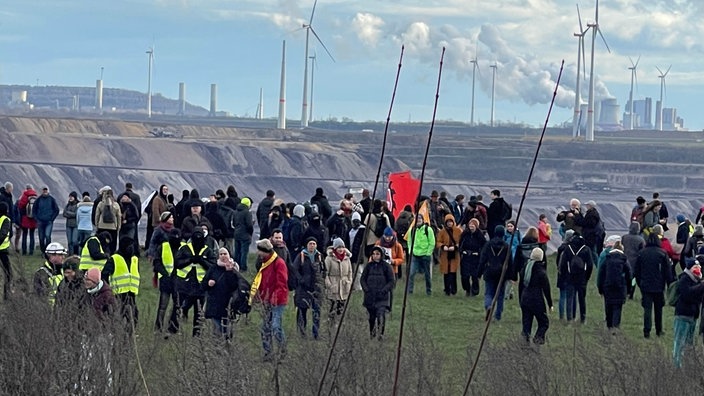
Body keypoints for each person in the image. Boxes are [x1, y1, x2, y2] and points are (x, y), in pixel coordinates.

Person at [250, 239, 289, 361]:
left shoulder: (279, 263)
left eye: (260, 251)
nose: (258, 253)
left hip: (277, 301)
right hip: (267, 300)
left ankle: (283, 351)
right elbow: (264, 282)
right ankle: (268, 353)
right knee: (265, 328)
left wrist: (273, 298)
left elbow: (282, 284)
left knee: (275, 327)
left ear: (265, 251)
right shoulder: (265, 262)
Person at [172, 229, 216, 337]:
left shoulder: (208, 251)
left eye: (200, 235)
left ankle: (197, 334)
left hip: (200, 285)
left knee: (198, 311)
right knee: (177, 307)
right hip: (184, 283)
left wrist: (202, 261)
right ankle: (172, 329)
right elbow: (177, 263)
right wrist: (190, 260)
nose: (198, 238)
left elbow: (213, 266)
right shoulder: (185, 249)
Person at [634, 234, 674, 338]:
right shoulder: (662, 253)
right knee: (658, 309)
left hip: (646, 285)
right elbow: (668, 271)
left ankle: (646, 331)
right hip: (659, 285)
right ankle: (658, 330)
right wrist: (669, 283)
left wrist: (639, 283)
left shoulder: (642, 253)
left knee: (647, 309)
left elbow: (637, 271)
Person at [101, 237, 140, 332]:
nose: (131, 248)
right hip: (118, 294)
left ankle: (129, 335)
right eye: (129, 246)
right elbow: (104, 275)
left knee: (134, 315)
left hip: (131, 293)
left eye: (132, 246)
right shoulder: (114, 258)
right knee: (117, 316)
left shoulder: (134, 259)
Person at [203, 247, 240, 339]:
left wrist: (229, 272)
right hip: (214, 304)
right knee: (217, 332)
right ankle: (217, 351)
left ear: (229, 255)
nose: (223, 256)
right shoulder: (213, 268)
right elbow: (203, 285)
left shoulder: (234, 268)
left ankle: (227, 350)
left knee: (227, 332)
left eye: (225, 254)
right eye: (221, 254)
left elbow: (234, 286)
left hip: (228, 304)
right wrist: (208, 283)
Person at [673, 260, 704, 368]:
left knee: (689, 344)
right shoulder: (684, 279)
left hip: (693, 316)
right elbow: (687, 294)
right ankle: (677, 365)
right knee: (679, 342)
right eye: (696, 267)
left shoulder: (697, 280)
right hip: (683, 315)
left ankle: (687, 365)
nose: (698, 269)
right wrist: (701, 286)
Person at [292, 237, 325, 339]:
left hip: (316, 288)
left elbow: (324, 269)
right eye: (310, 243)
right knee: (302, 311)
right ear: (307, 245)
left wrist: (321, 280)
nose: (312, 246)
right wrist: (301, 280)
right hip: (303, 289)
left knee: (316, 312)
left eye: (314, 244)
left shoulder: (319, 256)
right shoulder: (301, 256)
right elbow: (295, 269)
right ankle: (302, 333)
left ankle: (316, 334)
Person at [518, 247, 553, 345]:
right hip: (536, 299)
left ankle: (525, 345)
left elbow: (521, 285)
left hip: (525, 298)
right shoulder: (541, 271)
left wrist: (520, 299)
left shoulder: (525, 268)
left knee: (526, 323)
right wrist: (550, 304)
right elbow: (546, 288)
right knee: (544, 323)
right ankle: (538, 339)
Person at [558, 232, 594, 324]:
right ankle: (583, 318)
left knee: (570, 297)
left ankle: (570, 318)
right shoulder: (586, 249)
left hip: (570, 276)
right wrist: (587, 277)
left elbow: (563, 264)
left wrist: (564, 275)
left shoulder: (568, 248)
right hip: (582, 277)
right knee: (582, 299)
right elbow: (590, 265)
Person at [361, 246, 395, 340]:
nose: (375, 256)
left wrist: (384, 290)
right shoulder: (369, 266)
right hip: (370, 296)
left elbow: (391, 281)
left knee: (381, 315)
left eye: (378, 254)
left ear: (382, 255)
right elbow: (363, 279)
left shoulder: (386, 267)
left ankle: (381, 334)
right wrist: (366, 289)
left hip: (382, 297)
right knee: (371, 317)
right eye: (374, 254)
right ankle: (372, 334)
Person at [480, 225, 513, 321]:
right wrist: (511, 275)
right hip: (501, 273)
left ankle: (488, 306)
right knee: (500, 294)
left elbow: (483, 259)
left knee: (489, 292)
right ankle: (498, 315)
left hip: (489, 271)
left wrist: (479, 272)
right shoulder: (506, 246)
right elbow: (510, 262)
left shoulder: (488, 245)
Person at [597, 241, 631, 333]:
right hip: (620, 287)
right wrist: (629, 290)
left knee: (608, 306)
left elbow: (601, 275)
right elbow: (629, 276)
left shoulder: (607, 259)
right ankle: (615, 326)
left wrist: (600, 289)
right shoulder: (624, 260)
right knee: (617, 307)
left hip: (607, 286)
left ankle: (609, 325)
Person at [153, 228, 182, 334]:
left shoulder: (183, 247)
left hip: (178, 281)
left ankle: (174, 327)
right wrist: (164, 273)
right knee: (163, 306)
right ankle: (158, 327)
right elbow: (157, 262)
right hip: (166, 280)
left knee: (177, 306)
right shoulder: (163, 247)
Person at [324, 238, 353, 323]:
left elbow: (350, 272)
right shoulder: (329, 259)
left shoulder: (347, 258)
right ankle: (331, 324)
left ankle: (339, 324)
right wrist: (329, 285)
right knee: (332, 307)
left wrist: (349, 282)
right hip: (334, 286)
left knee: (341, 308)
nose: (341, 249)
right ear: (335, 248)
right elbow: (326, 273)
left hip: (344, 286)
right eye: (338, 247)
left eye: (342, 247)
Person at [407, 213, 436, 296]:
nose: (418, 221)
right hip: (415, 255)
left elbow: (432, 242)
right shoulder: (412, 230)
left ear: (423, 220)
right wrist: (410, 251)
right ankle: (409, 291)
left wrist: (428, 253)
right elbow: (409, 241)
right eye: (417, 219)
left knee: (427, 275)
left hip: (425, 255)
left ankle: (429, 291)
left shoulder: (428, 230)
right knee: (411, 273)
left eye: (420, 219)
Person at [459, 218, 486, 297]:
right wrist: (461, 251)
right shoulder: (465, 234)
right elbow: (460, 243)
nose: (471, 226)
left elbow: (484, 246)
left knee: (475, 275)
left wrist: (479, 253)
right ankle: (467, 289)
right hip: (466, 257)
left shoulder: (480, 235)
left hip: (475, 258)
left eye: (473, 225)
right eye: (470, 224)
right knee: (465, 275)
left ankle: (474, 290)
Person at [437, 214, 462, 296]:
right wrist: (443, 246)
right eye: (448, 222)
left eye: (451, 222)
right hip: (445, 254)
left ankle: (453, 289)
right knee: (446, 272)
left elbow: (461, 242)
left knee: (453, 272)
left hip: (454, 254)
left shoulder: (458, 231)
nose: (449, 224)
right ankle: (447, 289)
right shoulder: (442, 232)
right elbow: (438, 242)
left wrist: (455, 247)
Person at [95, 187, 121, 253]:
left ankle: (102, 256)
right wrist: (118, 226)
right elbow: (119, 216)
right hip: (112, 227)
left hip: (102, 227)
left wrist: (97, 225)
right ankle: (111, 257)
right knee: (112, 244)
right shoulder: (116, 205)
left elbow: (97, 215)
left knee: (102, 244)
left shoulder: (100, 204)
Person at [34, 186, 60, 254]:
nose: (45, 191)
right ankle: (43, 252)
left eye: (46, 190)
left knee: (48, 236)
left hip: (49, 221)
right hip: (40, 222)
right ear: (42, 191)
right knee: (41, 238)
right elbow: (34, 210)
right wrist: (37, 219)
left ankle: (48, 251)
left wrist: (52, 219)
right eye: (43, 190)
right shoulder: (38, 200)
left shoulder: (52, 199)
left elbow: (56, 210)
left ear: (48, 191)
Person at [233, 197, 254, 272]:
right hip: (245, 234)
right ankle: (243, 267)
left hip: (236, 233)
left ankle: (235, 265)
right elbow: (249, 225)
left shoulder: (235, 212)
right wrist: (250, 232)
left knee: (237, 251)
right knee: (244, 252)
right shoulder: (247, 212)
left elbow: (234, 223)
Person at [18, 184, 38, 256]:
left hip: (25, 218)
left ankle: (24, 251)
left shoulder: (25, 195)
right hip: (33, 219)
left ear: (26, 189)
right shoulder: (35, 196)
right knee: (32, 235)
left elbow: (20, 205)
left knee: (24, 234)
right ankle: (31, 251)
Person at [0, 202, 12, 300]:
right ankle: (6, 295)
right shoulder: (5, 220)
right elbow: (4, 234)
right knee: (8, 273)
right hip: (2, 250)